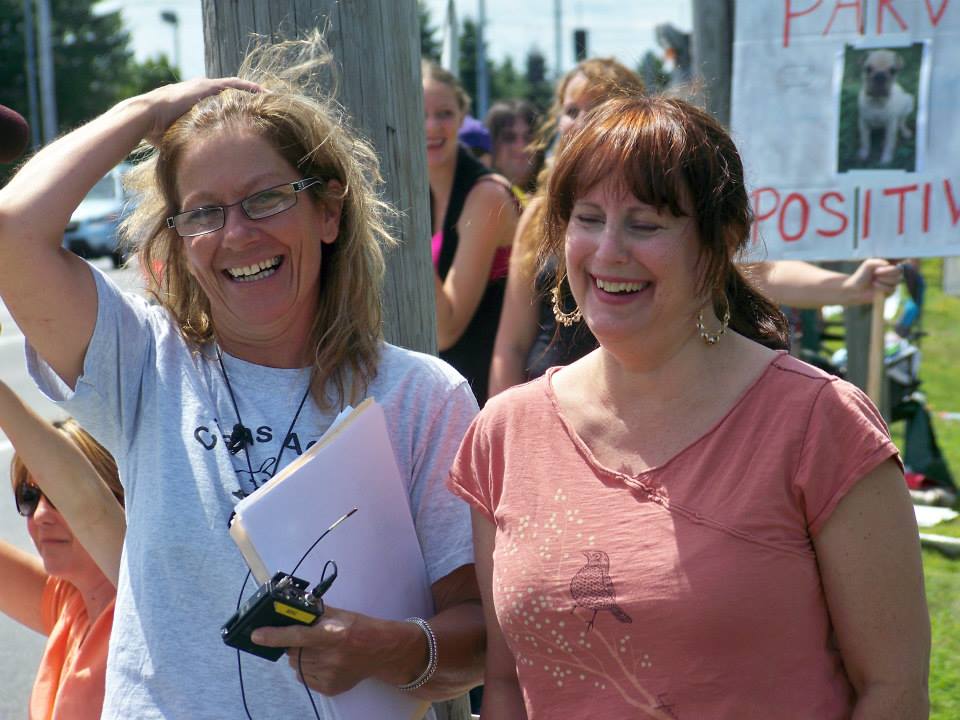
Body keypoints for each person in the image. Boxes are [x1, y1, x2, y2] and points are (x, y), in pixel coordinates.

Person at [0, 34, 484, 718]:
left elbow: (479, 637)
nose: (236, 234)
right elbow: (14, 229)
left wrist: (389, 646)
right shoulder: (144, 361)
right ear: (179, 241)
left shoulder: (423, 398)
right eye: (202, 212)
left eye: (266, 199)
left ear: (328, 211)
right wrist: (149, 109)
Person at [449, 95, 929, 718]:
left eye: (645, 225)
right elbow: (507, 685)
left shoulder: (821, 423)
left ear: (721, 241)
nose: (608, 250)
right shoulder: (505, 432)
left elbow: (893, 691)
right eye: (588, 219)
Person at [488, 59, 902, 396]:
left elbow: (756, 273)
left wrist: (849, 288)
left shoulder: (810, 409)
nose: (610, 249)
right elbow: (509, 342)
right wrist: (507, 424)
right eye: (571, 110)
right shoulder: (537, 215)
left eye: (645, 224)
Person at [0, 380, 123, 720]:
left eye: (61, 498)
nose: (40, 515)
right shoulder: (69, 602)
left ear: (120, 500)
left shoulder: (146, 611)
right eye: (29, 497)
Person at [423, 60, 519, 406]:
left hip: (484, 397)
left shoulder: (486, 196)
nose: (432, 126)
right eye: (420, 113)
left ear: (463, 116)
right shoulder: (423, 190)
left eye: (444, 113)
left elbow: (447, 329)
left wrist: (404, 232)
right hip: (444, 390)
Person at [484, 99, 542, 201]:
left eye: (529, 137)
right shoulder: (475, 197)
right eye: (509, 137)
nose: (520, 146)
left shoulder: (555, 197)